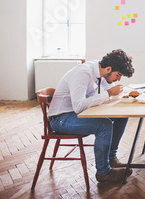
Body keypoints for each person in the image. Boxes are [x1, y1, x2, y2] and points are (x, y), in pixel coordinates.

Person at [48, 49, 135, 182]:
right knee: (104, 125)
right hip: (61, 119)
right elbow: (78, 106)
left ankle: (111, 159)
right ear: (109, 69)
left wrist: (120, 93)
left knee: (121, 116)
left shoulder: (99, 70)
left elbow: (108, 89)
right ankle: (103, 172)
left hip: (74, 114)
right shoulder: (83, 73)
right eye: (118, 75)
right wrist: (108, 94)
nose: (119, 79)